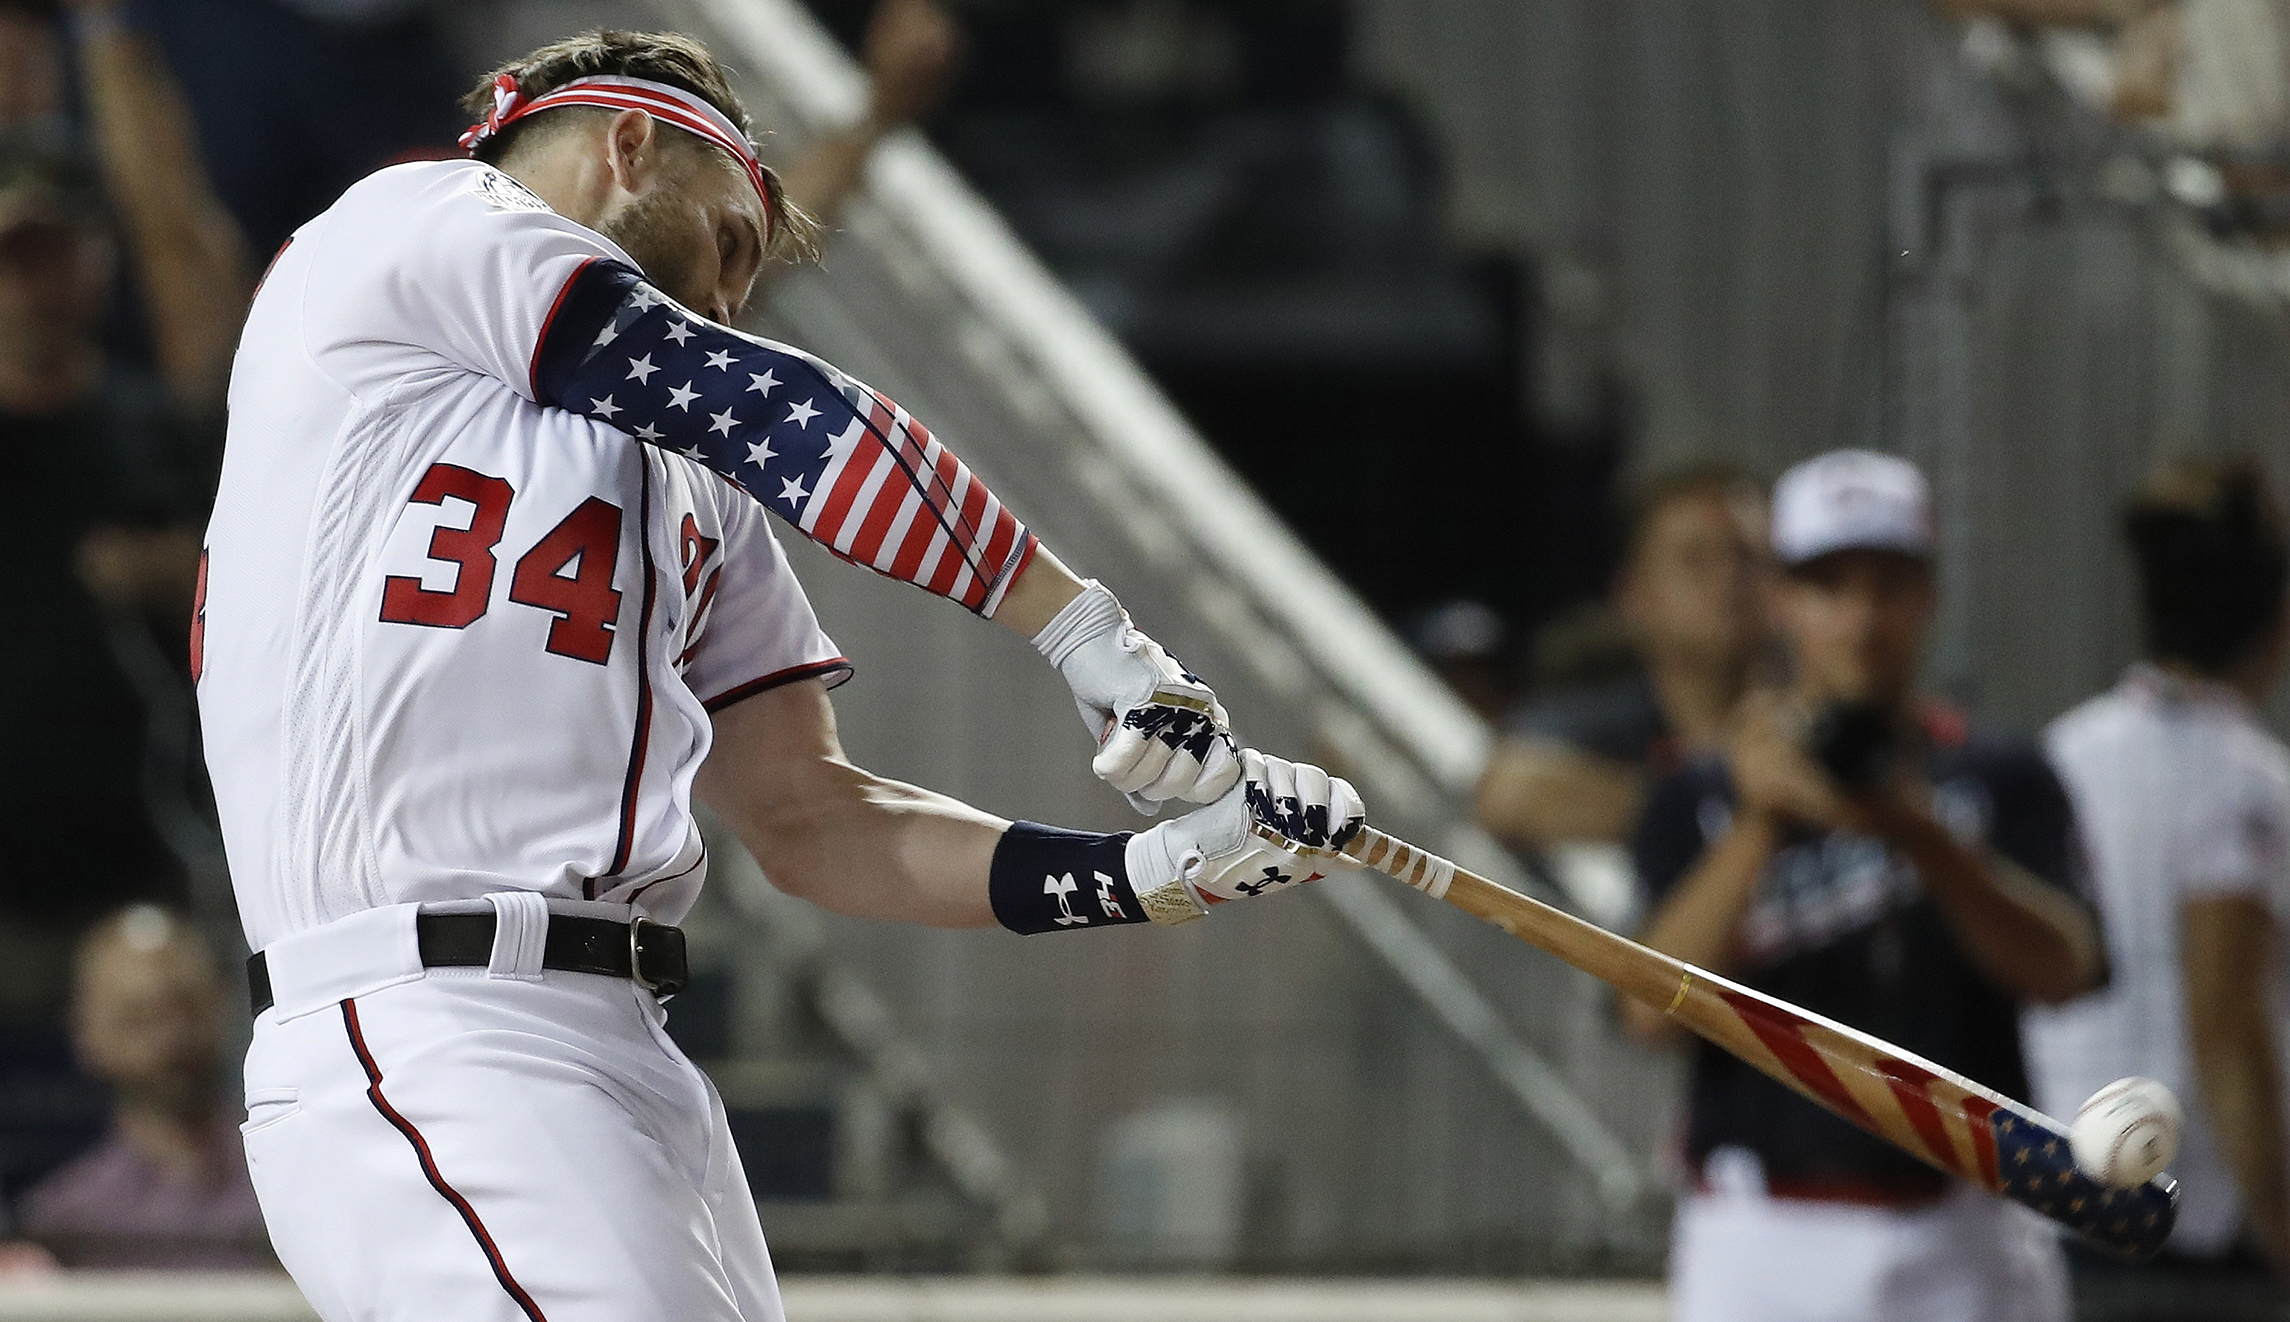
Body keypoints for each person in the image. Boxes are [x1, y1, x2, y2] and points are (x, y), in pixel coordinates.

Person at [200, 29, 1364, 1322]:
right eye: (732, 237)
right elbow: (753, 398)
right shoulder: (413, 223)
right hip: (417, 1018)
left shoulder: (690, 479)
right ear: (629, 143)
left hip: (622, 1051)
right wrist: (1093, 638)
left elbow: (813, 819)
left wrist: (1145, 873)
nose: (735, 292)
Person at [1626, 449, 2106, 1322]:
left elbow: (2066, 969)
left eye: (1888, 586)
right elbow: (1647, 1012)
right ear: (1780, 599)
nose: (1860, 617)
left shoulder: (1996, 775)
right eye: (1829, 584)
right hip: (1764, 1228)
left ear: (1927, 596)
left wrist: (1921, 833)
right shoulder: (1703, 789)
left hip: (1967, 1223)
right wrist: (1760, 823)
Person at [2024, 457, 2290, 1321]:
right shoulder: (2243, 782)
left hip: (2056, 1208)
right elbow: (2223, 1022)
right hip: (2196, 1233)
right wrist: (2283, 1225)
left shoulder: (2060, 753)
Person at [1476, 462, 1769, 850]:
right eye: (1695, 560)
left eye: (1747, 556)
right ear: (1633, 595)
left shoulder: (1818, 712)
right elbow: (1508, 792)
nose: (1728, 579)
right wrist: (1713, 810)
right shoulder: (1606, 723)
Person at [16, 905, 268, 1270]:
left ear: (222, 1006)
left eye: (188, 1008)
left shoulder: (295, 1180)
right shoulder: (63, 1222)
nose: (171, 1038)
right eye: (138, 1018)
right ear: (85, 1031)